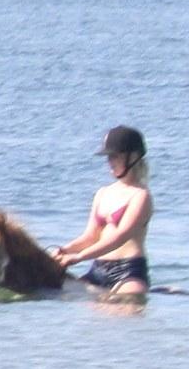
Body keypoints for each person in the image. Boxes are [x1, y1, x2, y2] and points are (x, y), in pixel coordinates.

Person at [53, 125, 153, 295]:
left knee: (128, 303)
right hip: (98, 269)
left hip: (128, 271)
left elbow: (119, 237)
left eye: (115, 156)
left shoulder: (141, 196)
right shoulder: (103, 193)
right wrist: (65, 250)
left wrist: (79, 257)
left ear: (133, 157)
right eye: (108, 157)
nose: (110, 162)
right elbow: (91, 236)